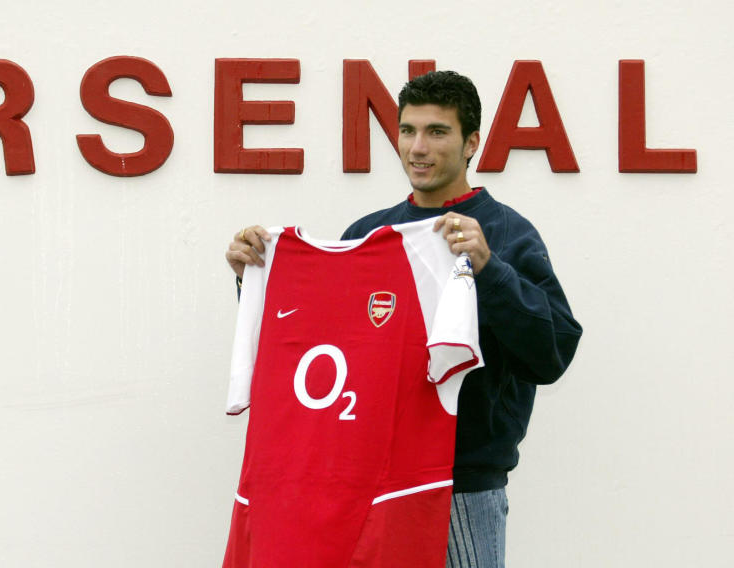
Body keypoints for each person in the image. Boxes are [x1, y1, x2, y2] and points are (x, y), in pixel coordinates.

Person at [225, 70, 581, 568]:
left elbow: (551, 355)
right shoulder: (370, 233)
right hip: (371, 484)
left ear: (471, 142)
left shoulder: (504, 233)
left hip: (462, 489)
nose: (418, 147)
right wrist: (254, 279)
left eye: (437, 132)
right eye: (408, 131)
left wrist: (491, 271)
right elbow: (314, 350)